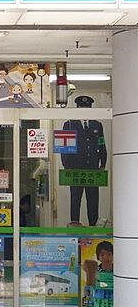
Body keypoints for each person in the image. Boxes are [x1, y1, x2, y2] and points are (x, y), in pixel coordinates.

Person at [61, 95, 107, 226]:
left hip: (93, 169)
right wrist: (67, 166)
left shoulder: (97, 125)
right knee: (75, 198)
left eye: (87, 108)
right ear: (78, 109)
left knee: (93, 199)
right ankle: (74, 224)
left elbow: (101, 144)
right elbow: (64, 148)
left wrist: (103, 164)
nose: (85, 110)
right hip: (75, 169)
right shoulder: (69, 124)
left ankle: (93, 225)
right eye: (82, 108)